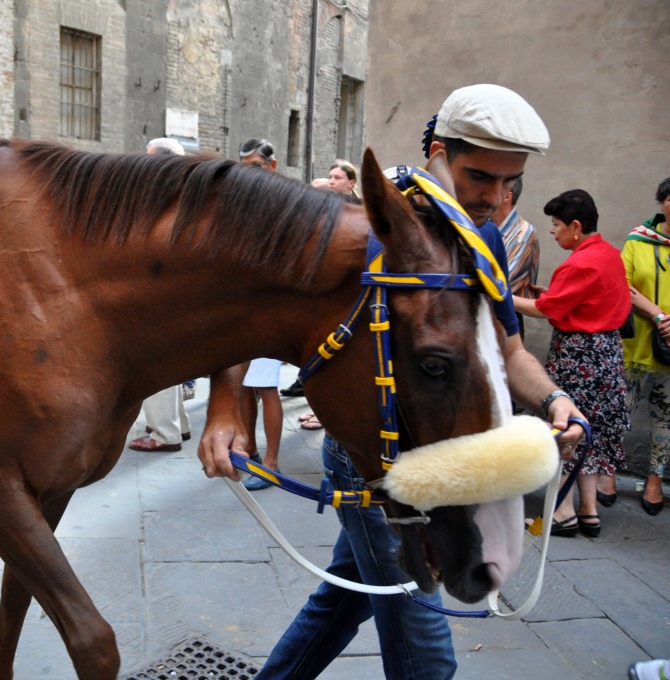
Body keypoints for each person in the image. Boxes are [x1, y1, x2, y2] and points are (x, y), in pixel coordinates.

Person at [198, 84, 587, 680]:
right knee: (426, 656)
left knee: (344, 598)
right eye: (481, 176)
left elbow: (508, 349)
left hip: (439, 452)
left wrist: (556, 399)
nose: (497, 197)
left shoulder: (481, 238)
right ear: (437, 151)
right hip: (371, 459)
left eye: (511, 182)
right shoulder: (355, 231)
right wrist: (225, 406)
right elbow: (238, 301)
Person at [513, 189, 631, 537]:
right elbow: (585, 298)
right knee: (591, 430)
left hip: (578, 354)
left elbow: (546, 310)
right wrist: (550, 292)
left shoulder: (579, 262)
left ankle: (562, 514)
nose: (553, 231)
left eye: (556, 224)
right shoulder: (609, 254)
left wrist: (504, 295)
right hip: (608, 354)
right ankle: (588, 511)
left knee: (563, 429)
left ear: (576, 226)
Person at [127, 137, 192, 453]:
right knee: (170, 363)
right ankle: (179, 424)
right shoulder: (184, 192)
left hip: (162, 291)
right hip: (175, 293)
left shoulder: (166, 195)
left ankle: (165, 434)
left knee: (155, 364)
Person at [287, 161, 364, 424]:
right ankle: (320, 410)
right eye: (330, 176)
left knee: (341, 364)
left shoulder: (357, 212)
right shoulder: (328, 206)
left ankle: (328, 416)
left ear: (352, 183)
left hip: (346, 301)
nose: (331, 181)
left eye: (338, 177)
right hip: (321, 297)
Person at [235, 138, 285, 490]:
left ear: (271, 165)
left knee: (266, 387)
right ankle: (250, 448)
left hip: (270, 307)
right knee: (240, 384)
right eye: (243, 166)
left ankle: (272, 463)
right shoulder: (244, 205)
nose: (246, 174)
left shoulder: (281, 205)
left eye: (253, 165)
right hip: (242, 306)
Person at [619, 176, 670, 516]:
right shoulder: (638, 241)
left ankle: (655, 481)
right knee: (620, 410)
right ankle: (606, 473)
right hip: (636, 343)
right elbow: (622, 286)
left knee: (664, 419)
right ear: (662, 202)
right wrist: (658, 315)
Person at [494, 177, 539, 338]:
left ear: (507, 196)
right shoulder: (483, 224)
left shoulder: (522, 235)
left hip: (502, 323)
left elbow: (499, 287)